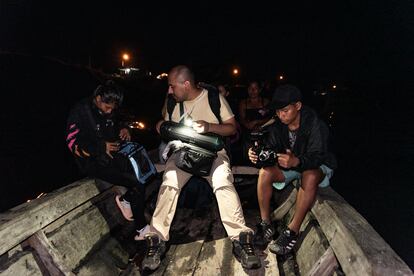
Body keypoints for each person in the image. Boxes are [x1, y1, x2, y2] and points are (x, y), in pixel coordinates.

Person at [142, 65, 261, 271]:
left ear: (186, 84)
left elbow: (231, 127)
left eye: (172, 86)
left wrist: (209, 127)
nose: (169, 91)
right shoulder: (172, 101)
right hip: (183, 152)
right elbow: (162, 122)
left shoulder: (214, 98)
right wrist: (161, 126)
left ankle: (241, 239)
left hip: (212, 153)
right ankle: (157, 239)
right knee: (169, 180)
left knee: (223, 180)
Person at [248, 84, 337, 255]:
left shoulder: (315, 124)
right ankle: (266, 224)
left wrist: (296, 161)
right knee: (264, 172)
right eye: (278, 111)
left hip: (318, 165)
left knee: (309, 175)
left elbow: (318, 155)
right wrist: (256, 154)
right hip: (292, 164)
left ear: (298, 106)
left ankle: (292, 232)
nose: (281, 115)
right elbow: (270, 148)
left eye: (285, 110)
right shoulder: (278, 125)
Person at [65, 80, 149, 240]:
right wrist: (100, 147)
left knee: (144, 174)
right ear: (98, 98)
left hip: (114, 156)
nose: (110, 111)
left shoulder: (110, 110)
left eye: (113, 108)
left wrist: (124, 128)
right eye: (107, 107)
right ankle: (141, 229)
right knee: (137, 183)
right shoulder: (80, 111)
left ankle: (126, 200)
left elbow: (118, 121)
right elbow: (72, 143)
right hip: (93, 162)